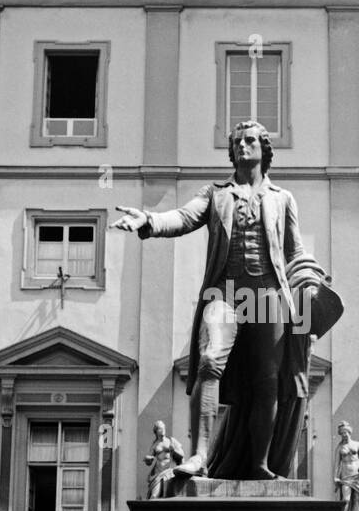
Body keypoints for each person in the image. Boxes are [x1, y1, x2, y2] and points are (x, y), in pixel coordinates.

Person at [113, 122, 341, 480]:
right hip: (226, 293)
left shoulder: (282, 198)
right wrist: (150, 220)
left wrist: (311, 288)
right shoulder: (215, 194)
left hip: (268, 296)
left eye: (250, 140)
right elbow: (183, 217)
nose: (242, 145)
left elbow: (295, 252)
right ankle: (201, 455)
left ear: (264, 149)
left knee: (268, 382)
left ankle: (259, 464)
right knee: (208, 359)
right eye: (236, 142)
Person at [144, 420, 184, 498]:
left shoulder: (171, 441)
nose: (162, 430)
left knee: (169, 496)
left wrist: (174, 450)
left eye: (163, 428)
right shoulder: (155, 445)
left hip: (170, 472)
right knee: (154, 495)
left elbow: (182, 455)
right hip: (158, 474)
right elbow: (149, 459)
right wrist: (148, 459)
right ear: (156, 431)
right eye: (160, 429)